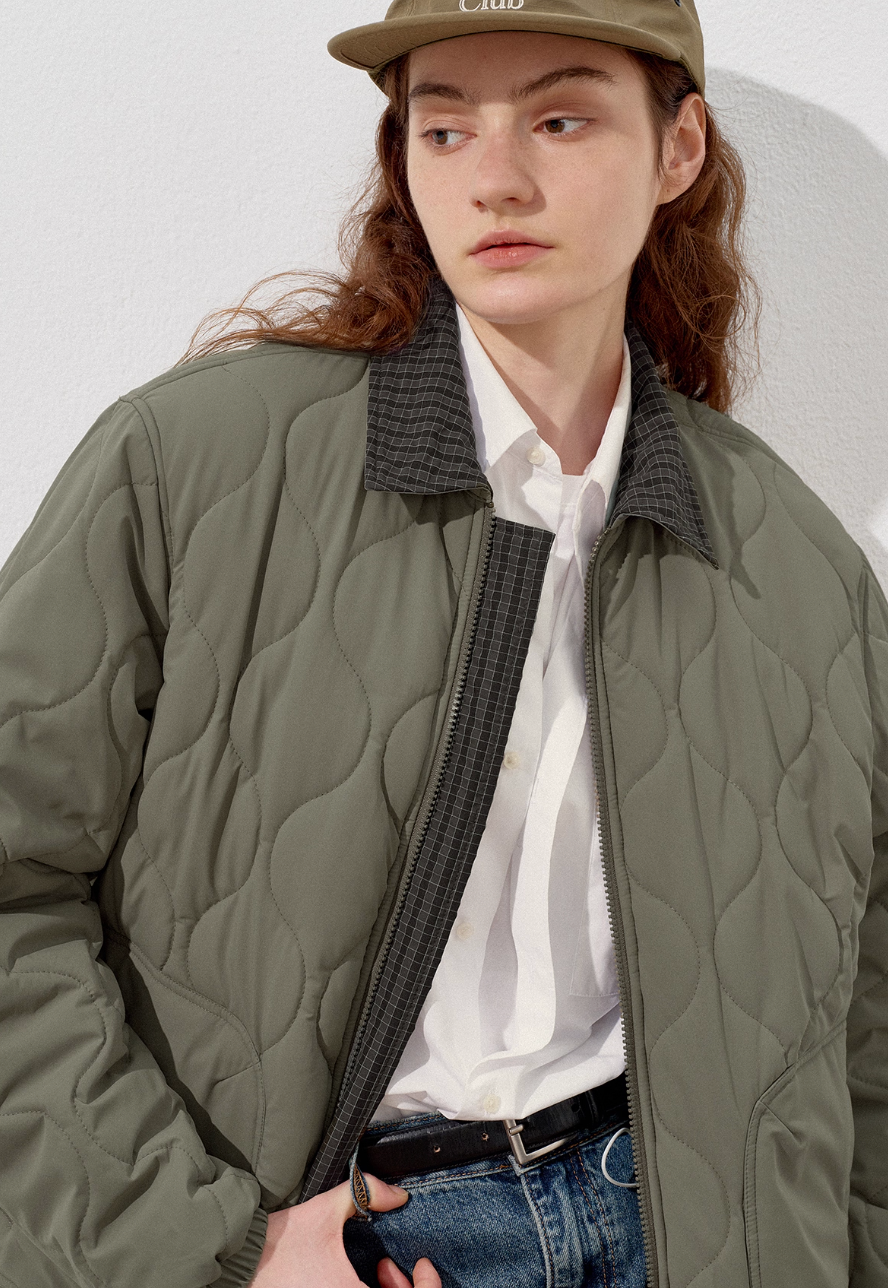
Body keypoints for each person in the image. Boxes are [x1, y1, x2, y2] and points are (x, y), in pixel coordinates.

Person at [1, 1, 886, 1286]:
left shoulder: (794, 562)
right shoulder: (191, 468)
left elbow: (862, 1015)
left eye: (561, 119)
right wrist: (210, 1248)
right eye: (446, 127)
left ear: (679, 148)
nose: (496, 179)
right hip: (349, 1243)